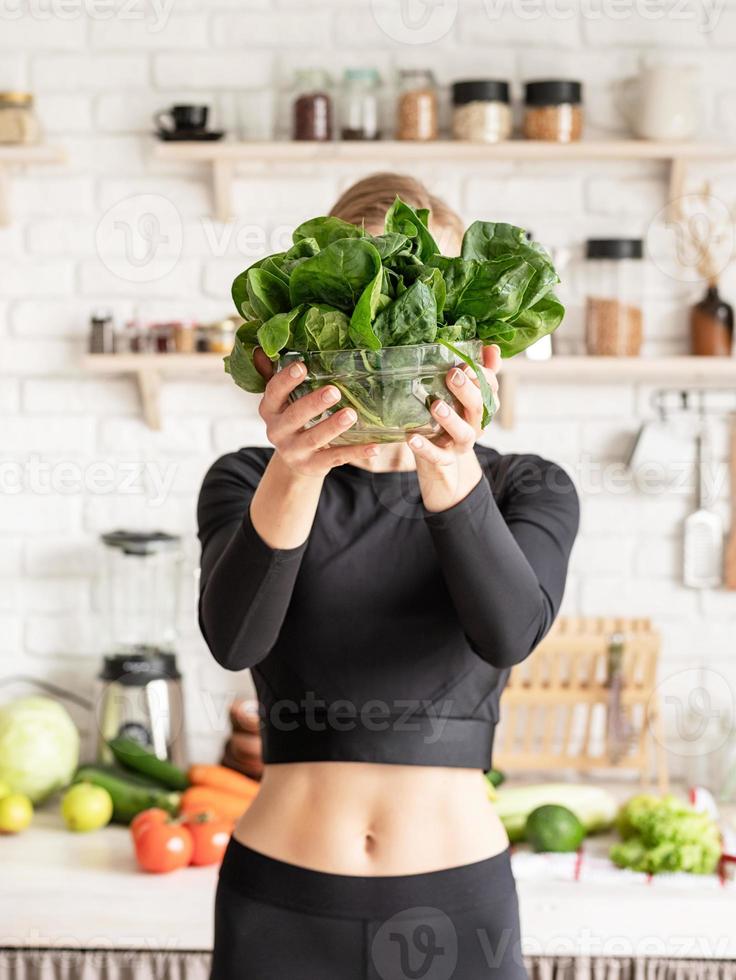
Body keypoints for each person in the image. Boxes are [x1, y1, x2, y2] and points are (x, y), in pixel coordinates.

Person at [198, 172, 579, 980]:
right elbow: (235, 641)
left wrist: (448, 466)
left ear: (474, 333)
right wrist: (295, 472)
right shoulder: (248, 477)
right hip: (278, 903)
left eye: (427, 303)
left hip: (460, 905)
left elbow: (509, 632)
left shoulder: (525, 487)